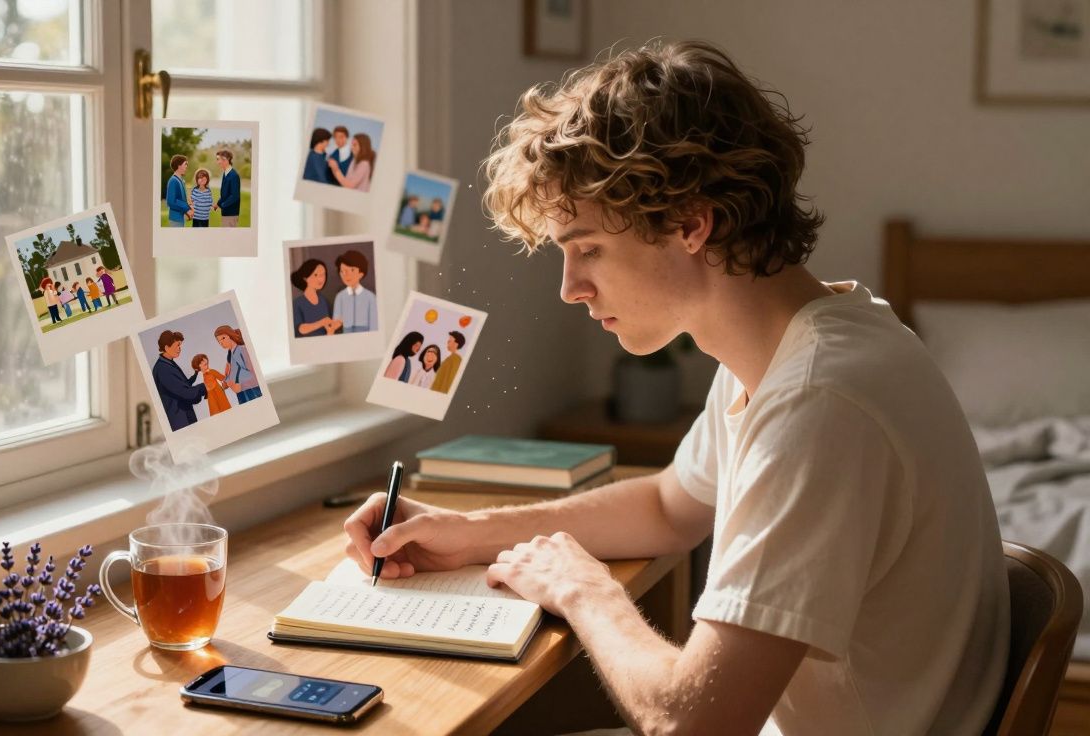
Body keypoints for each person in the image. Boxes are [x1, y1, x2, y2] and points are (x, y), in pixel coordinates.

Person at [342, 40, 1009, 736]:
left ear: (692, 223)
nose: (570, 289)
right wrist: (469, 532)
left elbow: (692, 724)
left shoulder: (820, 403)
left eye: (588, 248)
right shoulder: (806, 342)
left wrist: (586, 591)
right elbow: (670, 505)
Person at [151, 330, 206, 432]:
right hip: (179, 421)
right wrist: (204, 387)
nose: (179, 349)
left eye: (180, 345)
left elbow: (182, 386)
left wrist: (195, 375)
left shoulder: (168, 363)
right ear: (167, 347)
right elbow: (185, 392)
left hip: (183, 416)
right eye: (177, 345)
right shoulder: (163, 368)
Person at [290, 259, 340, 337]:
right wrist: (321, 323)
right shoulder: (297, 303)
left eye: (323, 275)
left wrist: (333, 327)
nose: (320, 279)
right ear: (305, 278)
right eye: (316, 275)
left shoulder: (324, 301)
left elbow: (329, 327)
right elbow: (300, 329)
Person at [332, 250, 378, 333]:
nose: (346, 275)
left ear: (361, 273)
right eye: (343, 271)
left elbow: (374, 325)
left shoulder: (370, 297)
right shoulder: (340, 297)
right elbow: (336, 321)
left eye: (352, 270)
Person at [215, 326, 261, 404]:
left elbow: (252, 371)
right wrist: (226, 382)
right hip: (242, 392)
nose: (221, 343)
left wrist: (231, 381)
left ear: (230, 335)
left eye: (223, 338)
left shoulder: (241, 350)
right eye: (218, 341)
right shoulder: (230, 355)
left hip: (251, 390)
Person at [216, 150, 241, 227]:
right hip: (226, 213)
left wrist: (223, 205)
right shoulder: (225, 173)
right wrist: (218, 204)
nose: (218, 162)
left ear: (225, 159)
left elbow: (235, 196)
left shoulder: (234, 175)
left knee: (229, 237)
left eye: (218, 159)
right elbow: (225, 194)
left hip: (231, 214)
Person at [166, 154, 192, 226]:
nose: (187, 166)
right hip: (175, 219)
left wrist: (189, 207)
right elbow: (171, 202)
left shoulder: (181, 180)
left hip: (181, 218)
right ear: (179, 165)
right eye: (185, 164)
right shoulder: (173, 181)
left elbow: (181, 200)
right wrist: (187, 209)